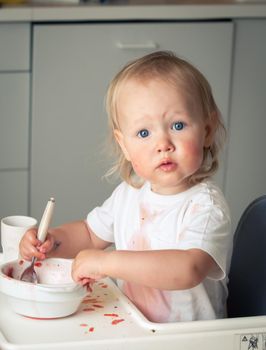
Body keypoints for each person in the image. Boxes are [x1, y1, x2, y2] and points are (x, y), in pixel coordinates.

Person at [19, 51, 232, 323]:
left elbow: (187, 269)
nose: (163, 143)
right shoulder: (130, 193)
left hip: (188, 338)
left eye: (177, 125)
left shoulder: (205, 207)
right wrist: (50, 240)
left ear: (208, 129)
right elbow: (89, 234)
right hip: (135, 327)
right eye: (144, 133)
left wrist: (107, 262)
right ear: (124, 146)